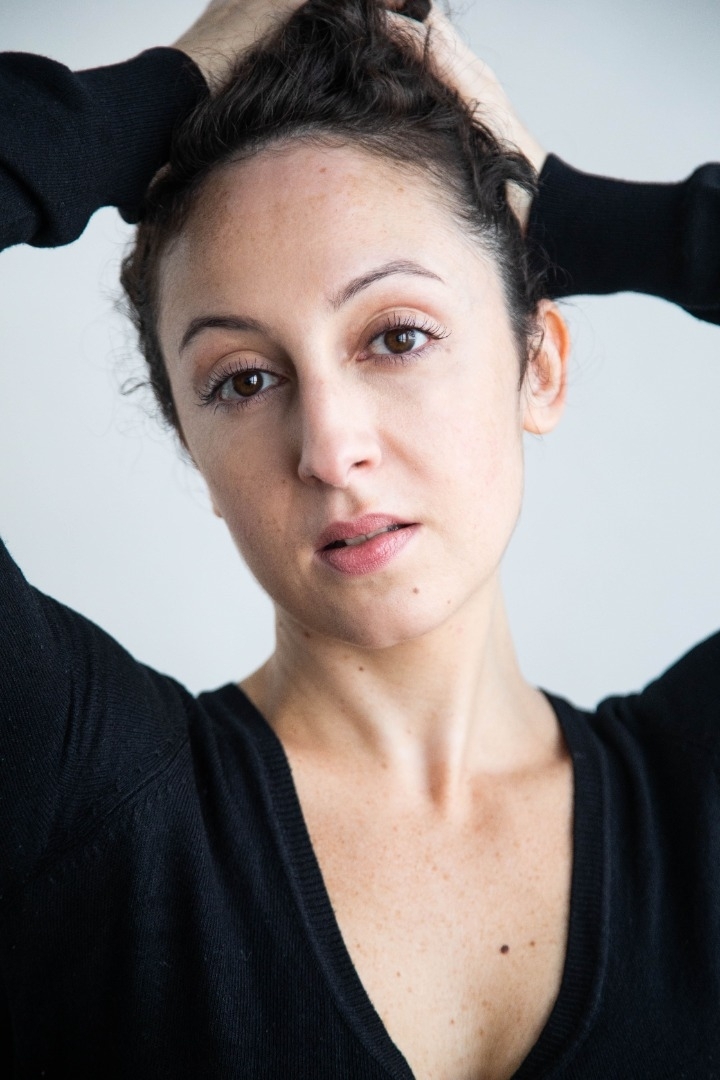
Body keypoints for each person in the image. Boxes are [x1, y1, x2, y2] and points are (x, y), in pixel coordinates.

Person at [1, 2, 719, 1079]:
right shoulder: (82, 804)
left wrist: (572, 208)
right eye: (245, 381)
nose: (331, 450)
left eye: (397, 336)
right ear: (194, 450)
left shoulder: (699, 800)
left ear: (539, 367)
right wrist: (158, 90)